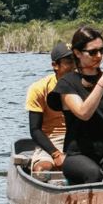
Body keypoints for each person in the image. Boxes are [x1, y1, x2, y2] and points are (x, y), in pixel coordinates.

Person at [47, 26, 103, 184]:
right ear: (77, 53)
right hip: (78, 155)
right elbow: (83, 113)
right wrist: (102, 82)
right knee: (94, 175)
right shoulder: (67, 83)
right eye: (92, 52)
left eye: (102, 50)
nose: (99, 56)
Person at [25, 42, 75, 172]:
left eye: (77, 61)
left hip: (79, 138)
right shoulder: (39, 89)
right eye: (69, 62)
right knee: (42, 169)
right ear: (55, 65)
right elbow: (35, 130)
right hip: (52, 141)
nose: (74, 66)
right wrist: (56, 154)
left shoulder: (86, 84)